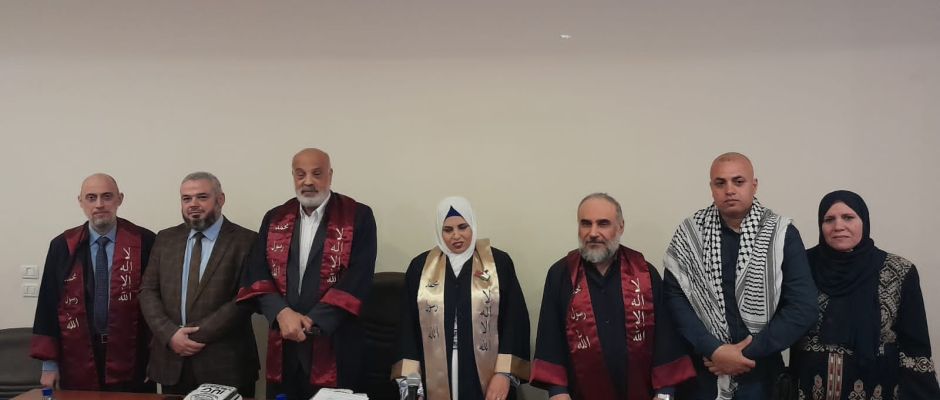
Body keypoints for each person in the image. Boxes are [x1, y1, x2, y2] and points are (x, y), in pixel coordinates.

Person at [662, 152, 818, 399]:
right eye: (720, 183)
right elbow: (675, 299)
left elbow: (803, 307)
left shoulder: (781, 234)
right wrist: (714, 350)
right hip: (705, 370)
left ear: (754, 185)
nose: (729, 190)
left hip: (761, 370)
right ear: (711, 188)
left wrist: (743, 354)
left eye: (738, 181)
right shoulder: (690, 235)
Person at [238, 148, 377, 400]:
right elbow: (258, 271)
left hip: (336, 346)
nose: (308, 181)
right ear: (293, 176)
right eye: (300, 174)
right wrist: (281, 313)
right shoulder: (275, 217)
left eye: (317, 173)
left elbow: (359, 277)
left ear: (330, 175)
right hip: (284, 345)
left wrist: (312, 321)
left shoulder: (358, 216)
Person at [531, 193, 695, 400]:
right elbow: (551, 338)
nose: (593, 233)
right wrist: (558, 392)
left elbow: (666, 338)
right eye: (585, 224)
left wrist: (664, 394)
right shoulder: (561, 274)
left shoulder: (644, 273)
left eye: (603, 224)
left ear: (620, 227)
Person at [790, 190, 940, 399]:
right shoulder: (801, 266)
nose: (838, 226)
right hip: (807, 389)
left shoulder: (898, 270)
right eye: (829, 219)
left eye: (848, 217)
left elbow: (915, 345)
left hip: (877, 389)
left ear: (864, 221)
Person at [393, 196, 530, 400]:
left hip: (487, 374)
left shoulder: (498, 263)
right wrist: (411, 380)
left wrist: (504, 373)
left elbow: (514, 320)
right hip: (433, 373)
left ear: (472, 224)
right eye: (448, 230)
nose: (456, 236)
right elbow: (407, 326)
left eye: (462, 227)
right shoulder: (420, 267)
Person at [30, 173, 156, 391]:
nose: (99, 204)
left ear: (120, 199)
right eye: (91, 197)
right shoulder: (63, 246)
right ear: (80, 201)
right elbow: (48, 305)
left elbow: (157, 302)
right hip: (76, 355)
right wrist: (49, 365)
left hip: (134, 357)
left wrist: (156, 357)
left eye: (107, 196)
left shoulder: (145, 242)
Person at [139, 172, 259, 396]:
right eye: (186, 198)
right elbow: (147, 291)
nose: (193, 204)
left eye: (202, 197)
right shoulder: (165, 239)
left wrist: (193, 336)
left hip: (226, 365)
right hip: (172, 362)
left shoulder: (247, 240)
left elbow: (246, 298)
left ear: (220, 199)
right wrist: (170, 334)